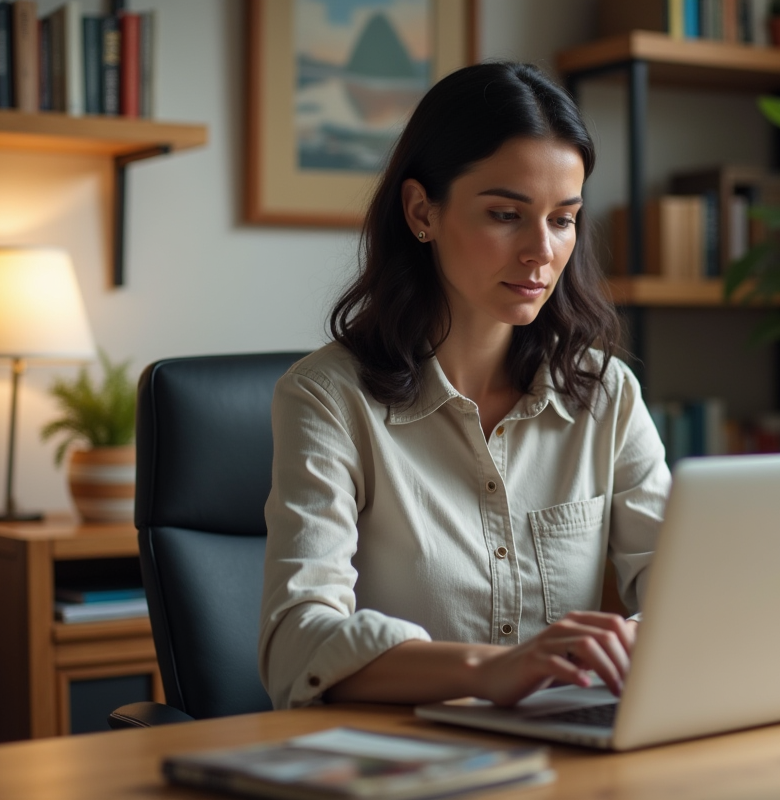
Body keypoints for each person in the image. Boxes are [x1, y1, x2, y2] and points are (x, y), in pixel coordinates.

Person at [258, 61, 672, 711]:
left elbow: (687, 592)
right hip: (399, 753)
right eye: (506, 214)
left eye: (563, 219)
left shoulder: (606, 393)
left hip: (563, 750)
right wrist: (489, 670)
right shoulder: (326, 399)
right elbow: (297, 643)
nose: (541, 252)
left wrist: (643, 638)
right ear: (421, 211)